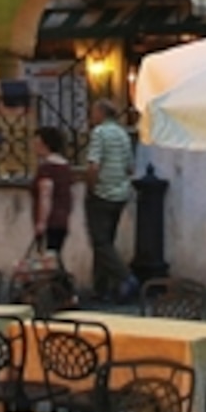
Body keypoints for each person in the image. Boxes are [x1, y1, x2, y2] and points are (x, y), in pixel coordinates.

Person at [82, 101, 138, 303]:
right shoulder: (123, 134)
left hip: (102, 193)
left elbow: (94, 165)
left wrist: (91, 187)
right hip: (120, 194)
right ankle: (101, 288)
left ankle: (126, 277)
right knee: (105, 242)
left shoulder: (99, 133)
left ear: (100, 114)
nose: (91, 116)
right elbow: (130, 167)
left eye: (93, 112)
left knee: (100, 242)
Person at [29, 124, 82, 274]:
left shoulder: (47, 168)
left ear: (44, 144)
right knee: (53, 258)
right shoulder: (65, 167)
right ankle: (62, 292)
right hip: (62, 220)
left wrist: (41, 222)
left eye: (37, 143)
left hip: (51, 220)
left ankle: (66, 292)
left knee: (50, 261)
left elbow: (46, 195)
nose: (34, 146)